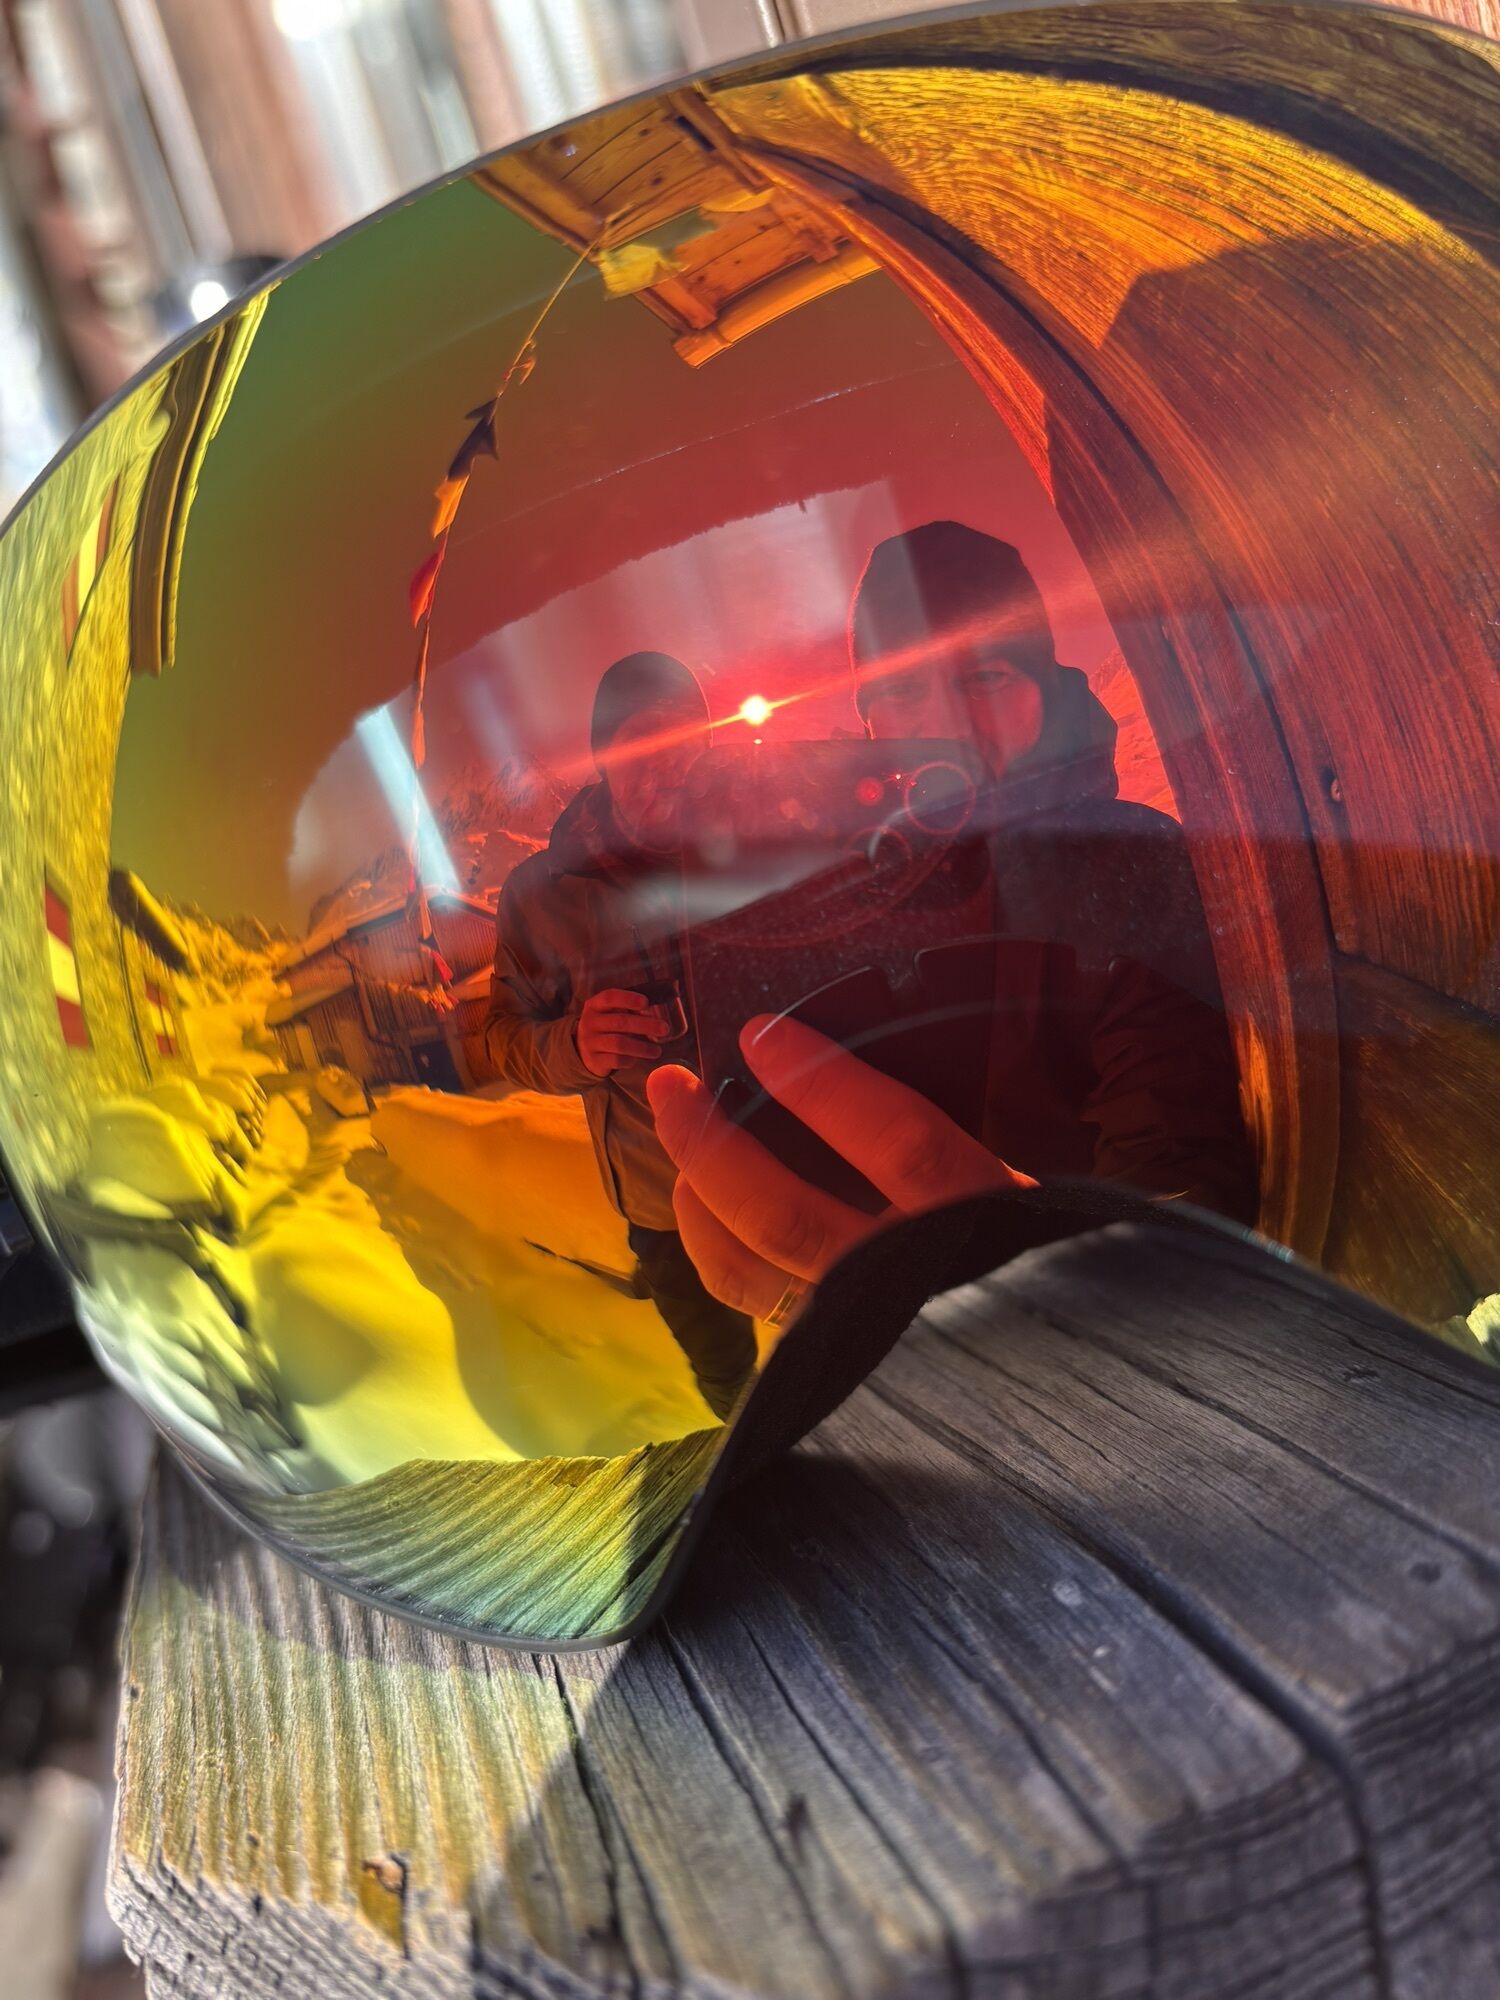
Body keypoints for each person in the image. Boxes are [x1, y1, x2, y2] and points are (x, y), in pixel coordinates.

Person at [649, 521, 1257, 1323]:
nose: (949, 725)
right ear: (868, 718)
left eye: (987, 675)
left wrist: (1102, 1313)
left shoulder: (1126, 860)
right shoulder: (840, 881)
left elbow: (1176, 1139)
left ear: (1047, 687)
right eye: (903, 689)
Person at [481, 651, 757, 1419]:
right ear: (602, 756)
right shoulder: (541, 896)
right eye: (644, 741)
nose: (672, 764)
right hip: (662, 1196)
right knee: (728, 1369)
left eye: (689, 738)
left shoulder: (756, 843)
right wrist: (575, 1045)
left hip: (791, 1150)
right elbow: (501, 1035)